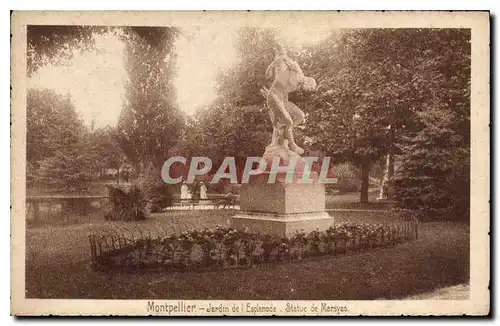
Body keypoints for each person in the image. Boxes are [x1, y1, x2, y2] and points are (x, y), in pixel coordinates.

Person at [261, 45, 317, 155]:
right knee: (288, 121)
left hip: (282, 100)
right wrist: (272, 66)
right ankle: (292, 144)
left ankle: (285, 131)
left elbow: (284, 91)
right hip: (274, 97)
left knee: (300, 116)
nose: (306, 90)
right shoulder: (297, 71)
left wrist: (279, 114)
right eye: (308, 88)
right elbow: (283, 58)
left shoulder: (298, 85)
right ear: (308, 81)